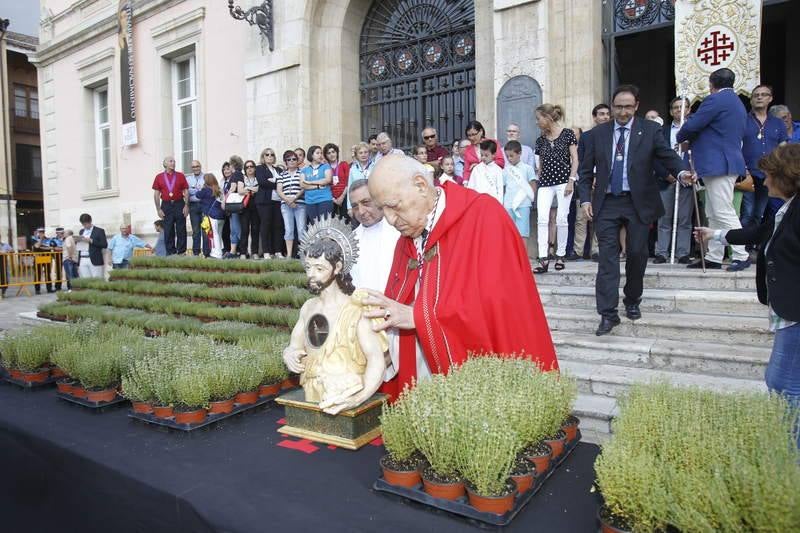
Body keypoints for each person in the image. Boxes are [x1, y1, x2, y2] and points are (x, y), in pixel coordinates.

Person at [360, 155, 558, 399]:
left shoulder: (483, 216)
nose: (390, 220)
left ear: (421, 185)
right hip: (425, 384)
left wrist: (419, 316)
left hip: (483, 389)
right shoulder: (407, 240)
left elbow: (499, 307)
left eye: (394, 206)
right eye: (383, 210)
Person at [694, 144, 800, 442]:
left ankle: (790, 456)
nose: (764, 183)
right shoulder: (789, 208)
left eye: (768, 176)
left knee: (784, 383)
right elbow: (758, 233)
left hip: (796, 312)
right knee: (779, 381)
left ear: (786, 176)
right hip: (787, 310)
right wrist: (714, 234)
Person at [579, 84, 691, 336]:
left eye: (628, 106)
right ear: (611, 106)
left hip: (638, 201)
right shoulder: (596, 135)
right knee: (606, 260)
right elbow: (585, 173)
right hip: (606, 203)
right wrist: (585, 200)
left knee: (638, 254)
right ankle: (607, 314)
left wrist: (682, 171)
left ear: (636, 106)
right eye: (618, 107)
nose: (622, 112)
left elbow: (666, 156)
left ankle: (632, 299)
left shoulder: (650, 130)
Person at [282, 217, 388, 414]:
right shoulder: (308, 307)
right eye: (308, 267)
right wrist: (290, 354)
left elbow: (376, 360)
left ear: (337, 267)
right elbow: (295, 345)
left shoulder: (358, 308)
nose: (311, 274)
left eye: (319, 268)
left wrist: (359, 398)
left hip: (345, 394)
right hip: (311, 394)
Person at [676, 68, 750, 271]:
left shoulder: (715, 100)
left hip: (718, 162)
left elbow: (693, 125)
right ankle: (714, 256)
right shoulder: (736, 102)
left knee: (724, 211)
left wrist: (680, 136)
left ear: (712, 84)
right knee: (714, 212)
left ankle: (742, 254)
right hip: (723, 161)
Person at [533, 103, 578, 272]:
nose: (537, 122)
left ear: (548, 118)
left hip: (564, 181)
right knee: (542, 219)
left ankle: (560, 255)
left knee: (561, 219)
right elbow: (540, 165)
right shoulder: (540, 140)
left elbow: (575, 159)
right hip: (545, 183)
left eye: (539, 119)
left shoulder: (568, 134)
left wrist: (571, 180)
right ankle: (543, 258)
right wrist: (539, 178)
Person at [741, 85, 788, 236]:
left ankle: (751, 245)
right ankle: (740, 248)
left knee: (759, 213)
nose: (759, 97)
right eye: (756, 95)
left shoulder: (778, 123)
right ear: (751, 100)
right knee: (746, 212)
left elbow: (782, 149)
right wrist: (743, 169)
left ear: (770, 99)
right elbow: (735, 145)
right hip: (747, 173)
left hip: (768, 175)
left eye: (763, 94)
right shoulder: (743, 121)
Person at [653, 97, 693, 264]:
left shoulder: (694, 131)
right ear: (671, 111)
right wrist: (667, 175)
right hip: (667, 179)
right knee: (664, 218)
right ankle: (662, 252)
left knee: (684, 218)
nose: (679, 110)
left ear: (688, 110)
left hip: (688, 180)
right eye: (675, 107)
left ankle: (682, 252)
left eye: (682, 107)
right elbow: (655, 155)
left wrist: (689, 174)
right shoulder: (662, 131)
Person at [349, 179, 400, 292]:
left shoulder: (400, 230)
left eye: (366, 203)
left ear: (378, 200)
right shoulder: (351, 240)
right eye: (355, 206)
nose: (361, 211)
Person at [574, 104, 610, 260]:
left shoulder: (613, 135)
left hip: (604, 183)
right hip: (586, 182)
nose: (605, 117)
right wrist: (588, 177)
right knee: (581, 218)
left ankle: (596, 250)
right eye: (601, 114)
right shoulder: (586, 137)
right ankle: (578, 251)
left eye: (607, 114)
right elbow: (581, 161)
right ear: (594, 117)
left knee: (599, 217)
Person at [503, 141, 536, 258]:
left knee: (523, 233)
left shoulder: (528, 169)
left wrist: (531, 199)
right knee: (509, 233)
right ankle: (511, 259)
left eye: (511, 156)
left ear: (520, 153)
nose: (509, 159)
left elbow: (532, 184)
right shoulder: (506, 170)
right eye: (507, 156)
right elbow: (502, 187)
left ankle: (523, 259)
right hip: (508, 204)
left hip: (523, 204)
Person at [152, 156, 189, 256]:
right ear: (165, 164)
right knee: (168, 229)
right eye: (171, 161)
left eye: (174, 161)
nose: (173, 163)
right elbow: (156, 194)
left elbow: (186, 191)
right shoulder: (159, 177)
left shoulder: (180, 175)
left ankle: (181, 252)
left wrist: (186, 205)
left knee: (181, 228)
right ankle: (170, 252)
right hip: (166, 205)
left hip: (179, 203)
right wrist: (158, 209)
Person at [255, 148, 285, 259]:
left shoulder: (278, 170)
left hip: (278, 201)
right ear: (263, 157)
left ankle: (277, 251)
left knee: (278, 225)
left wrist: (273, 181)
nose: (270, 156)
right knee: (265, 225)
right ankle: (266, 251)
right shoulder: (259, 168)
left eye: (272, 154)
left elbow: (283, 182)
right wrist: (277, 182)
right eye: (267, 154)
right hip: (264, 201)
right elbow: (262, 182)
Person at [278, 149, 306, 258]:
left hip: (300, 205)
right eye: (289, 159)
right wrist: (288, 200)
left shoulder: (302, 172)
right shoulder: (282, 175)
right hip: (286, 205)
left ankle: (303, 254)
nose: (292, 161)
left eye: (294, 159)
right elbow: (279, 190)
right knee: (288, 230)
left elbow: (304, 187)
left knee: (301, 229)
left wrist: (294, 198)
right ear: (286, 162)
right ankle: (289, 255)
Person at [462, 120, 504, 184]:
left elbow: (501, 162)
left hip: (492, 180)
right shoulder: (468, 150)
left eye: (473, 134)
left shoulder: (493, 143)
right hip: (476, 182)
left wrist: (479, 166)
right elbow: (466, 170)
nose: (471, 138)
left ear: (481, 131)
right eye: (469, 135)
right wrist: (465, 182)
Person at [196, 174, 226, 259]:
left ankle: (217, 253)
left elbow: (197, 195)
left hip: (212, 215)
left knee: (214, 234)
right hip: (221, 216)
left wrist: (201, 187)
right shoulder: (219, 190)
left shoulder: (205, 190)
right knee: (219, 234)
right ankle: (220, 250)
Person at [301, 145, 334, 223]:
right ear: (311, 155)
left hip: (324, 199)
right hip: (310, 201)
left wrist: (310, 182)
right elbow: (303, 184)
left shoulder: (326, 166)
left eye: (321, 153)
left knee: (325, 226)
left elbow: (327, 180)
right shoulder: (305, 169)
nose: (320, 155)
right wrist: (318, 186)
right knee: (315, 227)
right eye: (317, 153)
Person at [221, 160, 243, 259]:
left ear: (232, 165)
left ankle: (239, 250)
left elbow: (233, 188)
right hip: (234, 207)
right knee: (234, 229)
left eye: (229, 166)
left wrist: (225, 199)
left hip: (235, 206)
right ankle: (234, 251)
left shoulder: (236, 174)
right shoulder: (238, 174)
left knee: (236, 229)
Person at [186, 160, 209, 256]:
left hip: (204, 205)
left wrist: (194, 191)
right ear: (192, 168)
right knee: (195, 231)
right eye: (194, 167)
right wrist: (199, 191)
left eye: (197, 166)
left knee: (205, 230)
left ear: (200, 166)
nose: (196, 168)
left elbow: (207, 191)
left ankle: (206, 253)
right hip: (193, 206)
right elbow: (187, 193)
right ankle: (196, 253)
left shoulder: (206, 177)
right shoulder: (188, 179)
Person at [239, 159, 261, 258]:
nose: (249, 169)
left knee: (255, 229)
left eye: (251, 166)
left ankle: (254, 252)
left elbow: (260, 189)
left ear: (255, 168)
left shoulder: (259, 177)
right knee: (244, 229)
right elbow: (240, 191)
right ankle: (243, 252)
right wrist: (252, 189)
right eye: (247, 167)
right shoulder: (242, 178)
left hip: (256, 205)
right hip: (245, 206)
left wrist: (248, 188)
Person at [75, 213, 107, 279]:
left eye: (86, 224)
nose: (85, 226)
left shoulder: (99, 231)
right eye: (83, 224)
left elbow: (104, 244)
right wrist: (77, 241)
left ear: (90, 221)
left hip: (94, 259)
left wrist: (91, 241)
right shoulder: (81, 231)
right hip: (82, 258)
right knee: (86, 280)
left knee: (97, 280)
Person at [325, 143, 350, 221]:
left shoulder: (344, 164)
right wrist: (334, 199)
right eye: (329, 153)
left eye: (333, 152)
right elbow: (325, 185)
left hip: (344, 196)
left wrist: (341, 197)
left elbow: (348, 182)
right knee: (331, 221)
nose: (331, 154)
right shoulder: (325, 167)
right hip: (330, 198)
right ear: (326, 155)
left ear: (337, 152)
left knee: (345, 221)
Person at [347, 142, 373, 210]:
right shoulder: (353, 169)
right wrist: (349, 207)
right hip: (358, 202)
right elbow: (350, 188)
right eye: (360, 153)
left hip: (373, 201)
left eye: (365, 152)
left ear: (369, 153)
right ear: (356, 155)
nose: (363, 155)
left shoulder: (375, 166)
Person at [31, 227, 54, 294]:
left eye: (42, 232)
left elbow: (51, 247)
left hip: (46, 257)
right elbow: (37, 246)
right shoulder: (34, 239)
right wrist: (41, 239)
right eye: (40, 232)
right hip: (38, 257)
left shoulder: (48, 239)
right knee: (38, 274)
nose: (41, 233)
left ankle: (49, 288)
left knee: (47, 274)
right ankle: (37, 290)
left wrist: (43, 247)